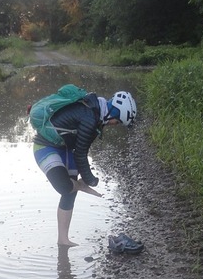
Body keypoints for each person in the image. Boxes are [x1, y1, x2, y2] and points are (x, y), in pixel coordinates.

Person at [33, 90, 137, 247]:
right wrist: (90, 181)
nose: (115, 125)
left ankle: (63, 240)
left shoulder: (97, 114)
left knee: (70, 193)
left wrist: (86, 178)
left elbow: (81, 150)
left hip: (67, 149)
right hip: (45, 146)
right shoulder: (90, 117)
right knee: (64, 187)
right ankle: (79, 186)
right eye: (118, 121)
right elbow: (81, 155)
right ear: (114, 114)